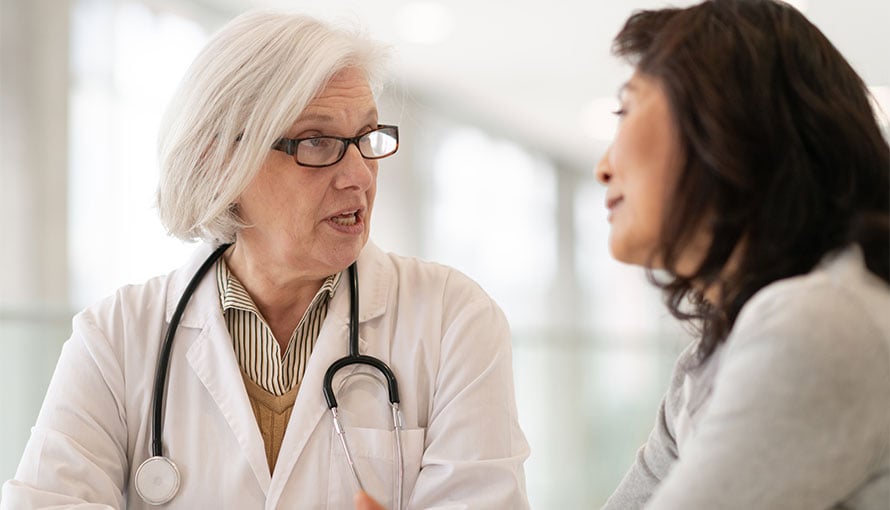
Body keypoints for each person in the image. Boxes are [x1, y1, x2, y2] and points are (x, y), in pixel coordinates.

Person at [1, 10, 530, 509]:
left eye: (366, 138)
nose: (359, 176)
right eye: (317, 142)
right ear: (221, 162)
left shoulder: (453, 320)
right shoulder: (115, 339)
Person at [594, 0, 890, 508]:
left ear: (724, 119)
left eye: (627, 110)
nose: (604, 166)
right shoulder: (704, 362)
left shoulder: (820, 322)